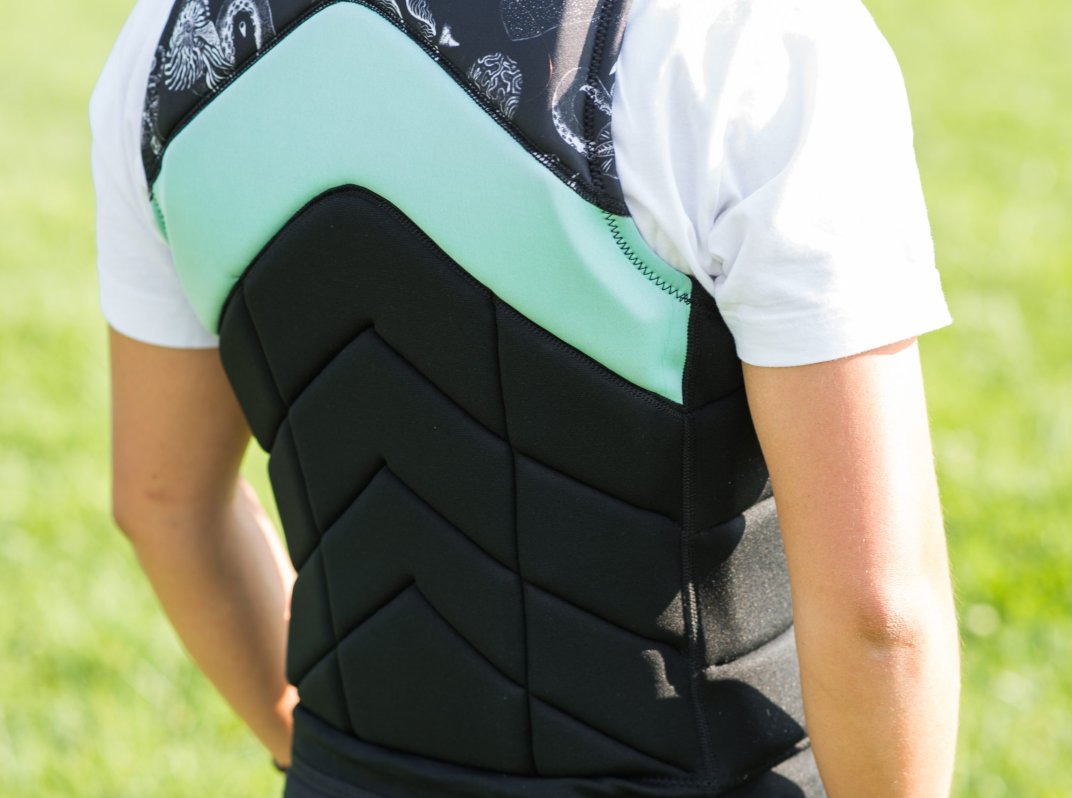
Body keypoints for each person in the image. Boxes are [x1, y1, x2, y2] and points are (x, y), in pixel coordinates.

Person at [91, 0, 960, 795]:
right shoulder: (751, 36)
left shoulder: (169, 48)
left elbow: (163, 503)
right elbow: (878, 614)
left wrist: (327, 758)